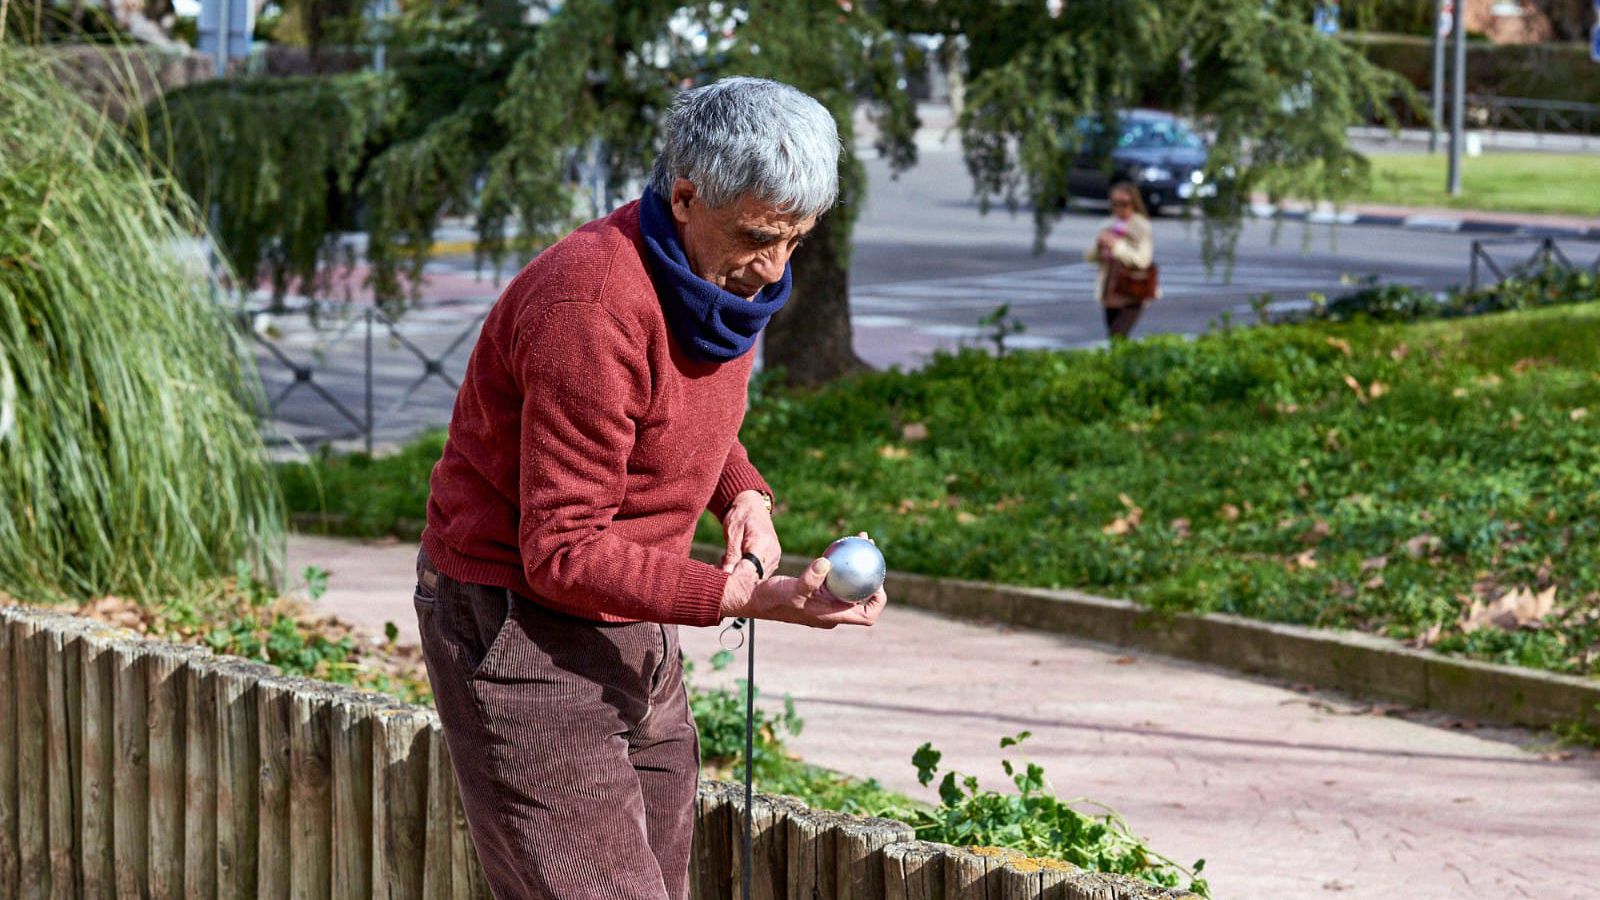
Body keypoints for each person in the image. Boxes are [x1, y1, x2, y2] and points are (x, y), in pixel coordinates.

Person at [412, 77, 888, 900]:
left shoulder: (714, 278)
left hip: (634, 616)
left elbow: (667, 409)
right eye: (758, 237)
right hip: (520, 619)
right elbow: (563, 550)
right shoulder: (592, 305)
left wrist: (742, 492)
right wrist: (745, 597)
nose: (772, 269)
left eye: (796, 241)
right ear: (686, 196)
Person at [1086, 181, 1158, 339]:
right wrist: (1099, 246)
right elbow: (1090, 257)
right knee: (1113, 336)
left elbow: (1143, 260)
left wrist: (1116, 246)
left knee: (1118, 334)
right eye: (1114, 204)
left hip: (1132, 290)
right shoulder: (1107, 225)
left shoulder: (1141, 226)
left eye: (1124, 204)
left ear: (1133, 203)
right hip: (1110, 288)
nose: (1119, 208)